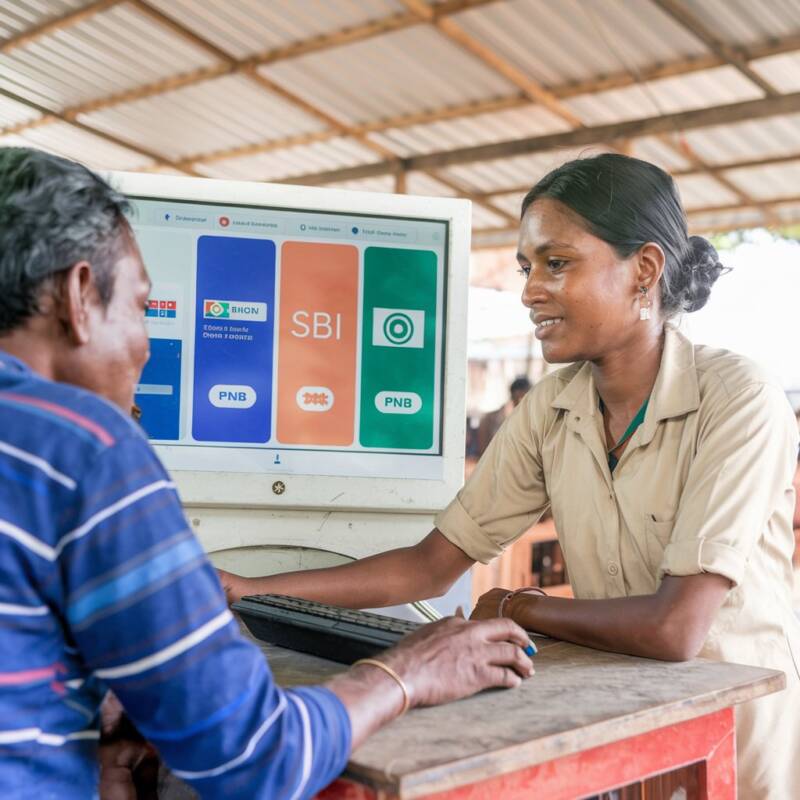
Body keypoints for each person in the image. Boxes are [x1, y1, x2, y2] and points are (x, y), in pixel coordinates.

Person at [221, 153, 800, 799]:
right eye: (528, 267)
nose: (531, 289)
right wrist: (248, 588)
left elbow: (676, 627)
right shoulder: (551, 409)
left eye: (558, 263)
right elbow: (428, 566)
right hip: (621, 722)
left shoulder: (737, 398)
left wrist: (522, 606)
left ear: (644, 270)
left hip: (730, 738)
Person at [0, 147, 535, 800]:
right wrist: (404, 674)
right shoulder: (85, 447)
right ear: (81, 296)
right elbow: (256, 758)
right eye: (141, 308)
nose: (145, 345)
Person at [476, 375, 531, 456]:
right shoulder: (489, 419)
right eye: (519, 398)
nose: (521, 402)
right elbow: (483, 450)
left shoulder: (532, 419)